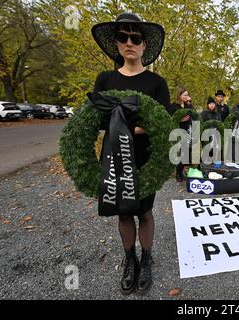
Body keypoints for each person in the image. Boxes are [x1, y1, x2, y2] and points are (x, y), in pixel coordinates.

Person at [92, 12, 170, 295]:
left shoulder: (157, 83)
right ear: (116, 43)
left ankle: (147, 259)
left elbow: (162, 121)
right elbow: (97, 119)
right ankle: (130, 260)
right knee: (123, 213)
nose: (129, 42)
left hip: (145, 158)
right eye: (123, 37)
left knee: (145, 212)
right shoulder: (105, 80)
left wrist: (127, 128)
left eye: (135, 38)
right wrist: (128, 126)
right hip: (113, 157)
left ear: (144, 45)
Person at [167, 88, 194, 182]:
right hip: (178, 131)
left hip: (188, 131)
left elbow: (194, 114)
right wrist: (180, 120)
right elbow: (170, 119)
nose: (186, 97)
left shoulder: (188, 105)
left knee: (186, 154)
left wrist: (189, 103)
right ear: (179, 95)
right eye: (184, 95)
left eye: (187, 95)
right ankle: (178, 174)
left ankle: (181, 172)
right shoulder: (173, 106)